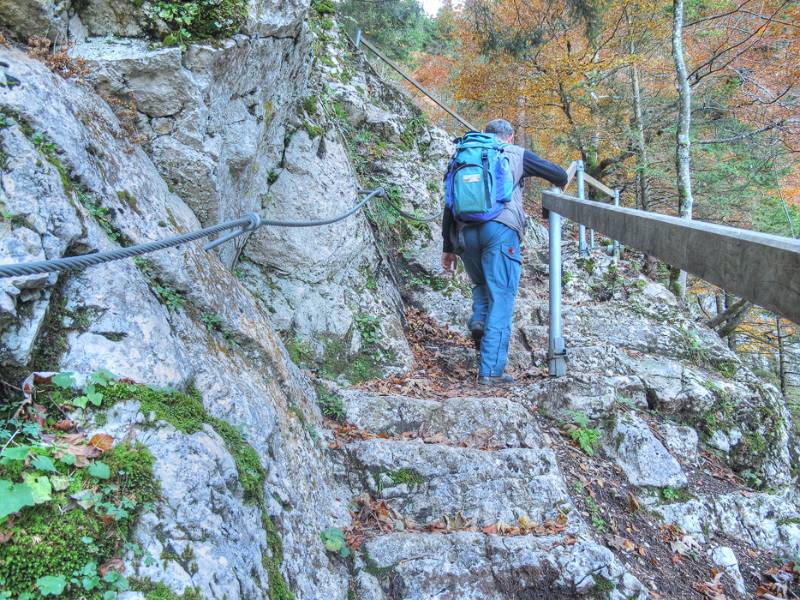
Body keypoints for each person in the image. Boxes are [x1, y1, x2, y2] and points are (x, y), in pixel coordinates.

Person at [441, 119, 568, 386]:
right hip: (501, 231)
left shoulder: (464, 154)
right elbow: (559, 175)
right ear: (509, 137)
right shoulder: (515, 153)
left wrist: (448, 248)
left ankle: (478, 320)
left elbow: (449, 202)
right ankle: (491, 371)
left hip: (465, 232)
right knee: (501, 298)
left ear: (487, 136)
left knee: (481, 285)